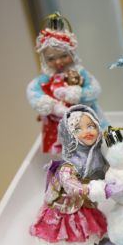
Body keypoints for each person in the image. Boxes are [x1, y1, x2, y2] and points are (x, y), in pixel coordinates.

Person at [30, 105, 121, 245]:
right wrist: (85, 189)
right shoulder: (70, 162)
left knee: (88, 222)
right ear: (69, 136)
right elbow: (68, 181)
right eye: (78, 129)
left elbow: (108, 164)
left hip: (85, 201)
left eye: (91, 126)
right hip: (66, 203)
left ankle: (92, 244)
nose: (87, 131)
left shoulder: (97, 153)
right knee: (68, 228)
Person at [26, 13, 103, 154]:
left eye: (64, 56)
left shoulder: (80, 73)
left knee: (91, 146)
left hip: (85, 120)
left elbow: (95, 89)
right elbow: (32, 91)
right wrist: (50, 105)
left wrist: (78, 94)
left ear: (72, 54)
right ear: (44, 60)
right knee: (65, 151)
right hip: (57, 126)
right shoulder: (45, 79)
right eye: (51, 59)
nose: (58, 62)